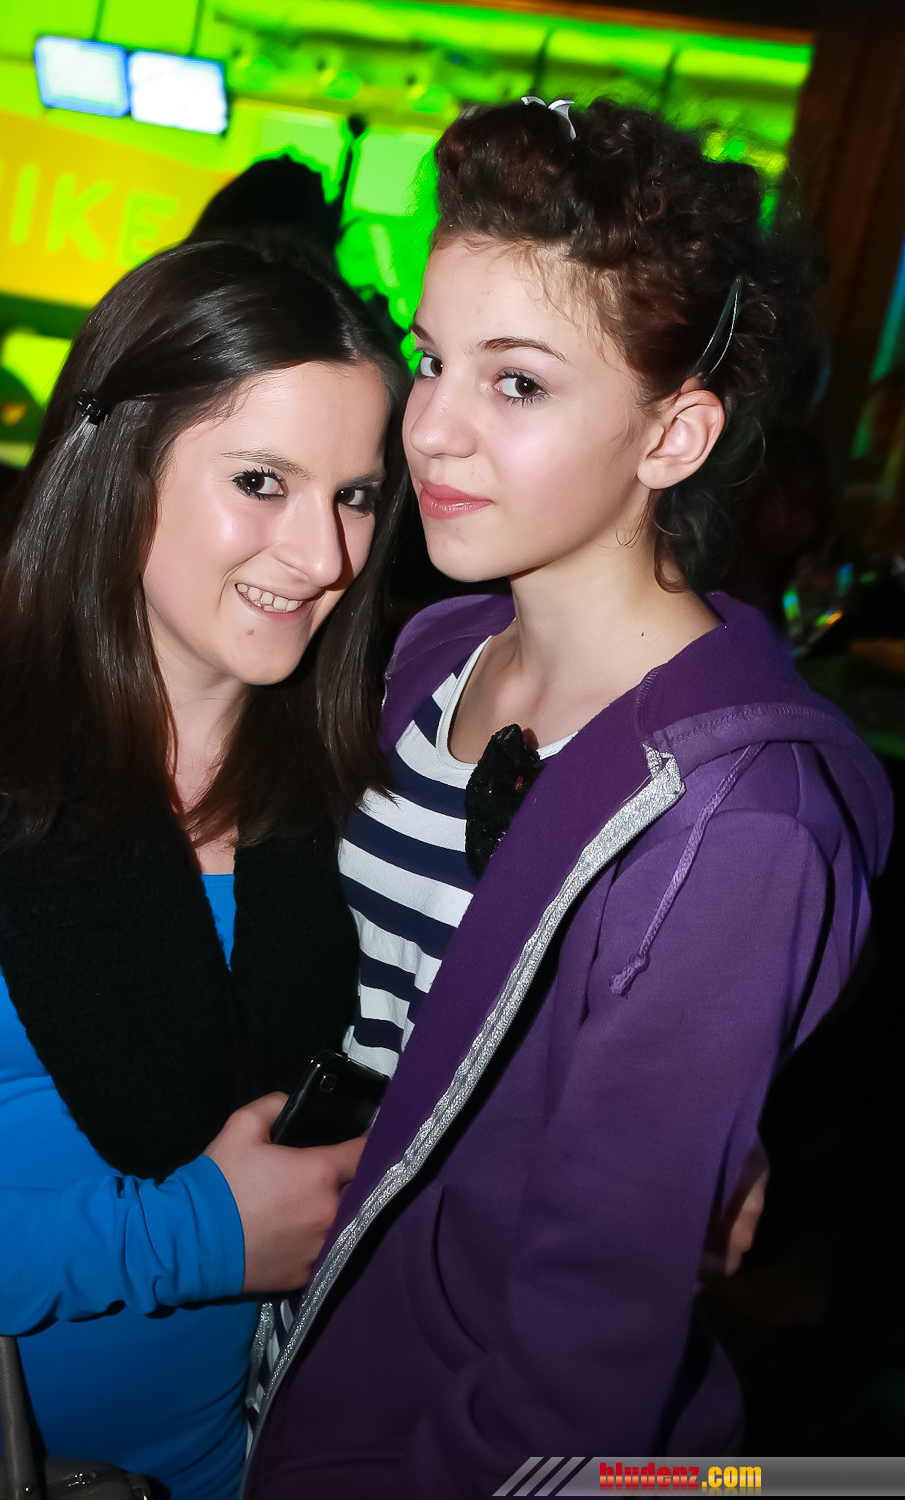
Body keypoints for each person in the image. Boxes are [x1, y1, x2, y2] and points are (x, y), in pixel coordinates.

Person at [243, 98, 892, 1496]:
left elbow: (585, 1349)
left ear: (673, 437)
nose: (432, 430)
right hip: (263, 1376)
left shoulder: (731, 818)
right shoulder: (432, 654)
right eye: (432, 359)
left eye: (518, 384)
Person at [0, 235, 407, 1498]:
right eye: (261, 480)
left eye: (355, 496)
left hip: (230, 1461)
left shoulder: (344, 785)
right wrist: (191, 1238)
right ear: (119, 462)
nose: (323, 557)